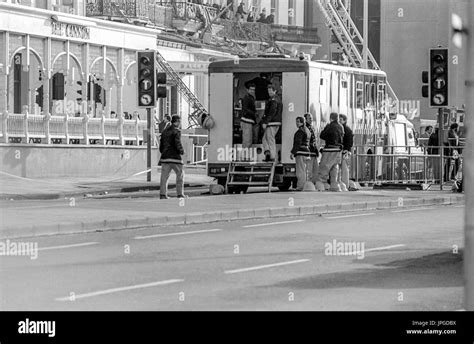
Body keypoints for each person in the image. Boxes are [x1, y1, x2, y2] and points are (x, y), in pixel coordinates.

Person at [315, 112, 344, 192]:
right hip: (338, 150)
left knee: (325, 166)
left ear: (331, 118)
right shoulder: (341, 127)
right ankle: (334, 184)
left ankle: (321, 184)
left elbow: (322, 135)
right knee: (334, 167)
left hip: (330, 149)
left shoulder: (329, 126)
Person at [159, 115, 186, 200]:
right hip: (175, 157)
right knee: (180, 175)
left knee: (164, 177)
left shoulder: (165, 131)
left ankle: (163, 194)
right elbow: (177, 143)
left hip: (165, 157)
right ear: (177, 122)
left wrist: (163, 152)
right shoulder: (176, 131)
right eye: (180, 122)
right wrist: (181, 151)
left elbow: (161, 145)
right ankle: (180, 194)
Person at [261, 85, 282, 161]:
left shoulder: (274, 100)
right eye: (268, 91)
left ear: (275, 91)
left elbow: (272, 111)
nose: (269, 92)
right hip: (274, 122)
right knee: (264, 138)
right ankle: (267, 153)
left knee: (270, 139)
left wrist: (265, 122)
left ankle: (272, 157)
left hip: (272, 122)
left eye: (271, 91)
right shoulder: (277, 99)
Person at [291, 117, 311, 191]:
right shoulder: (307, 130)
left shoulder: (300, 131)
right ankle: (304, 185)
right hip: (307, 152)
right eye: (296, 121)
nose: (297, 123)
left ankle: (300, 186)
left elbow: (297, 143)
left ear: (302, 122)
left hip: (301, 152)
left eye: (298, 122)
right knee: (304, 170)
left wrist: (293, 152)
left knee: (300, 171)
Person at [304, 113, 319, 184]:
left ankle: (314, 182)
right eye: (309, 118)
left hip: (314, 151)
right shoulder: (306, 128)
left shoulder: (311, 127)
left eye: (311, 118)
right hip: (310, 152)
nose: (311, 119)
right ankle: (309, 183)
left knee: (315, 169)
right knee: (309, 169)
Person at [240, 83, 257, 149]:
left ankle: (246, 156)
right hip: (246, 120)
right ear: (247, 90)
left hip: (248, 121)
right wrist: (254, 113)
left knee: (248, 140)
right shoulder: (246, 98)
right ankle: (245, 157)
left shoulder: (251, 97)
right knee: (247, 141)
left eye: (254, 90)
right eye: (251, 90)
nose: (252, 91)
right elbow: (245, 109)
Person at [339, 114, 353, 190]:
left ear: (344, 120)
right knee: (342, 168)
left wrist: (346, 149)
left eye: (341, 119)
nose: (339, 121)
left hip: (345, 151)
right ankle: (343, 183)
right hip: (343, 151)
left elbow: (350, 142)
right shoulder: (342, 129)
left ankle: (345, 184)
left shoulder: (347, 130)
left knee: (344, 168)